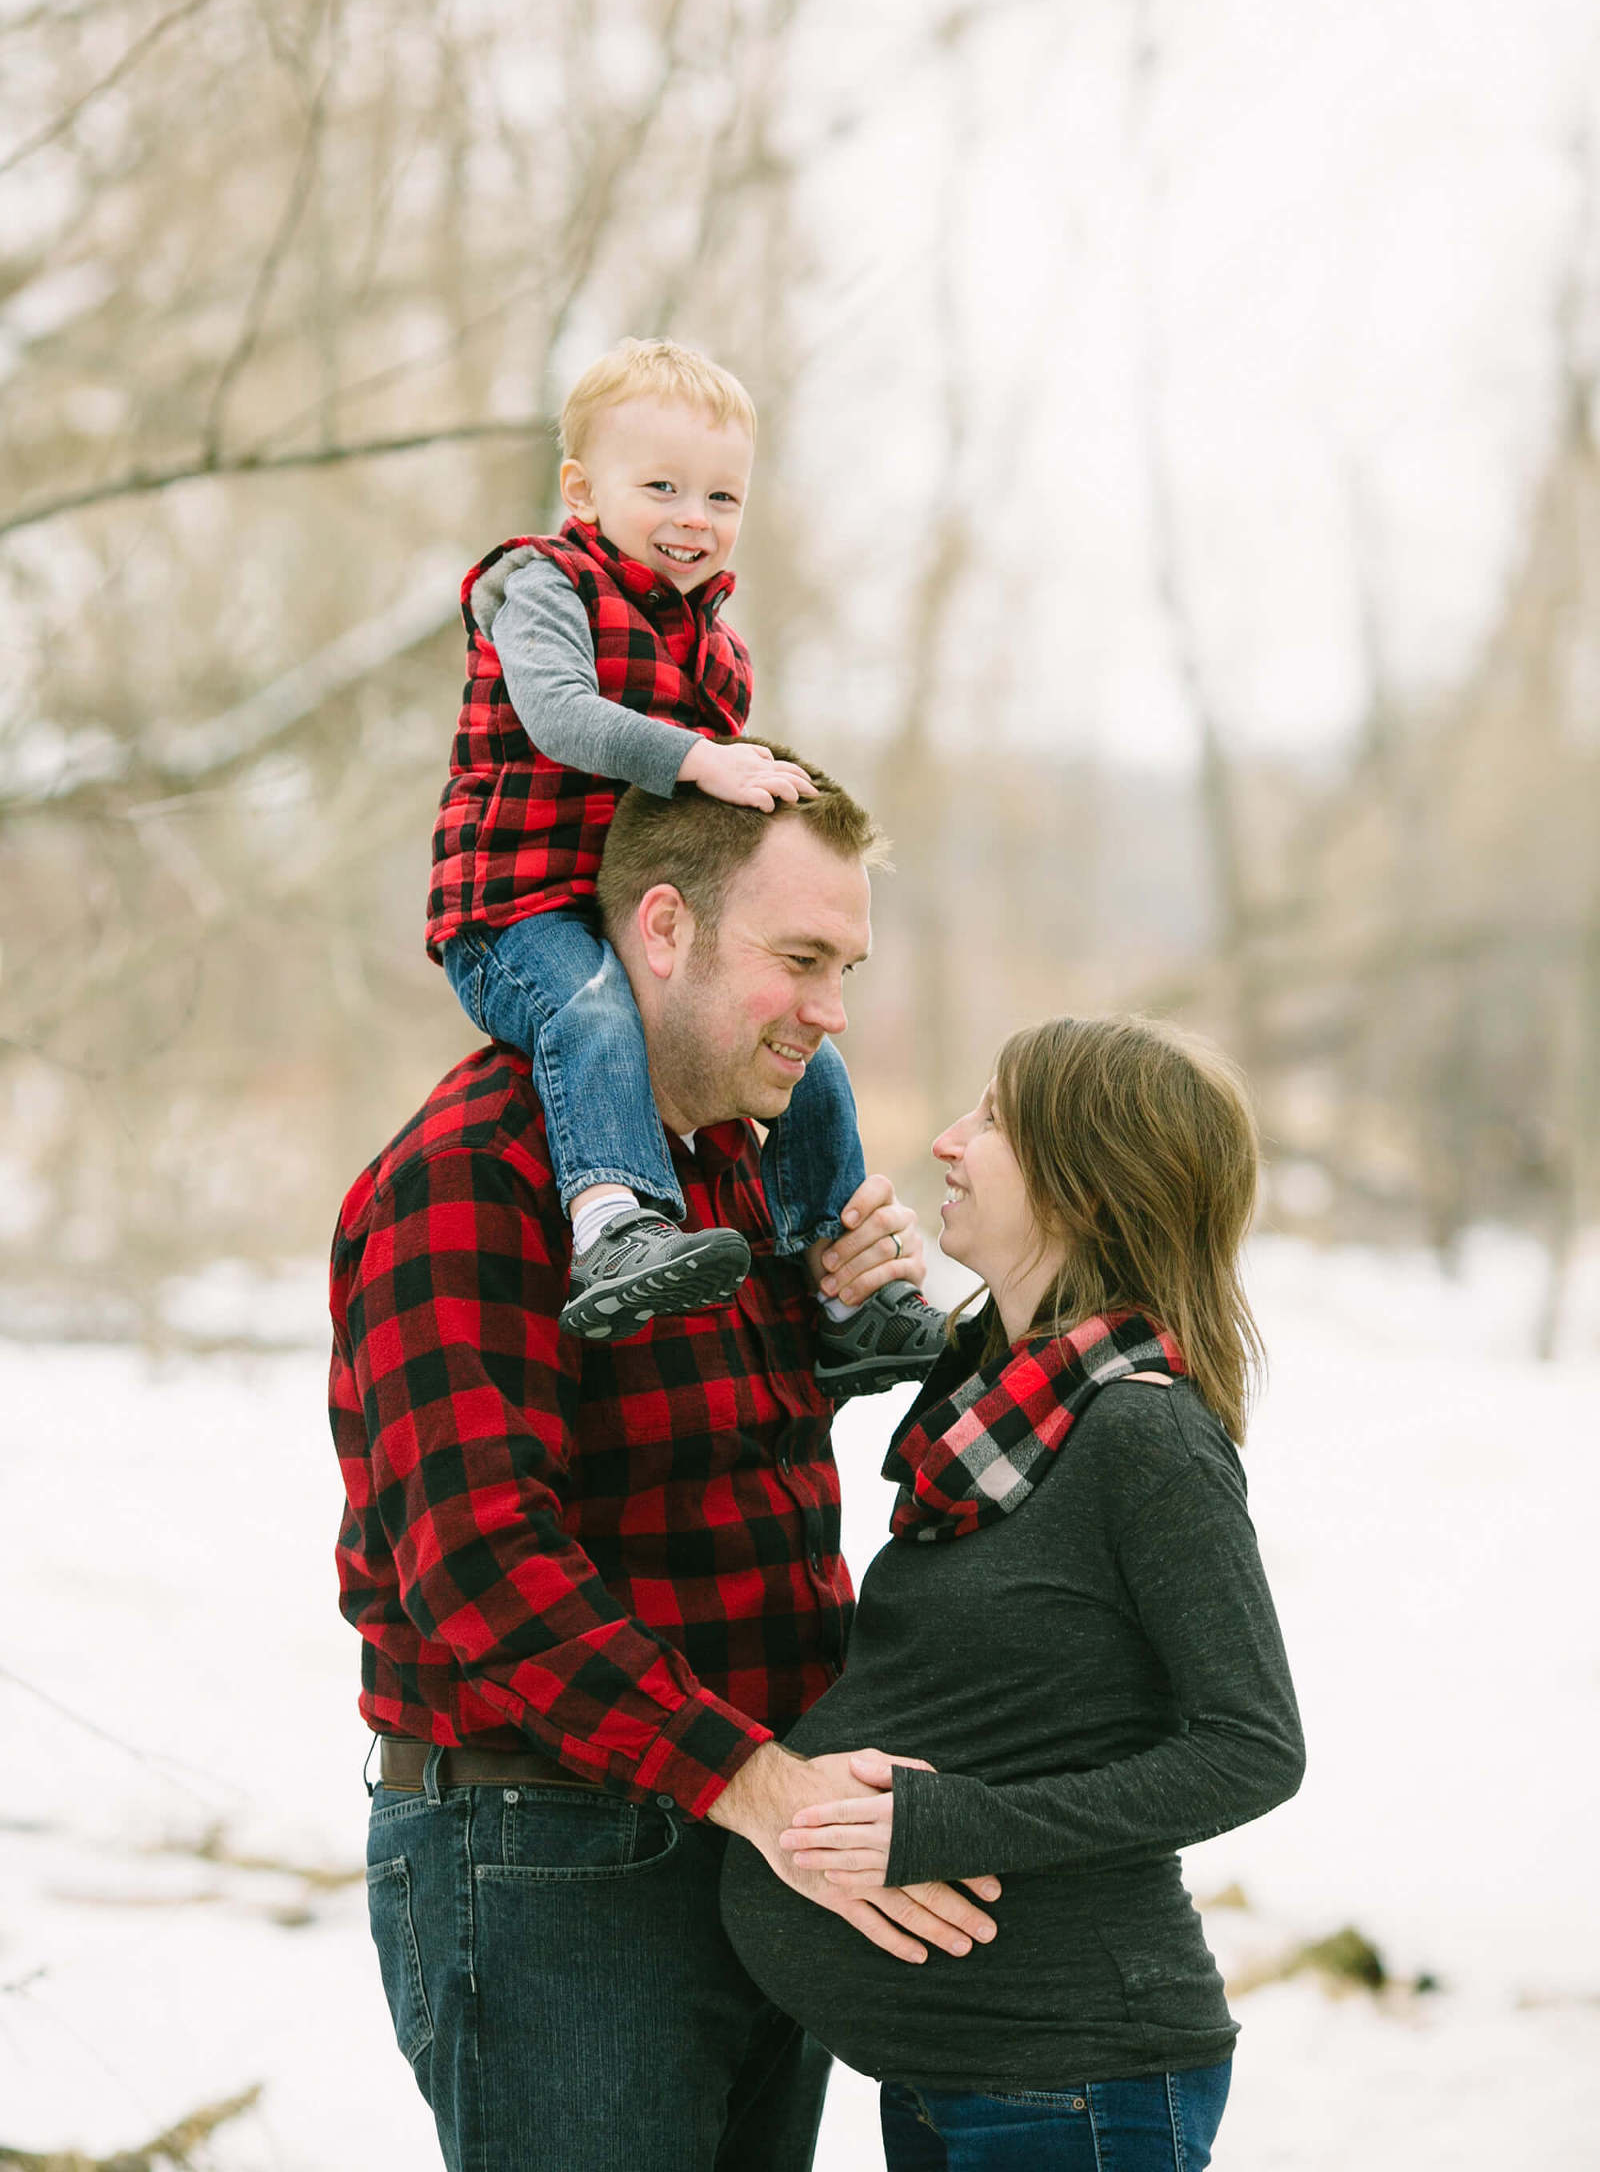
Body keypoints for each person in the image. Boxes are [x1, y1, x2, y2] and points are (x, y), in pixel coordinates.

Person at [331, 760, 1003, 2172]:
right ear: (662, 928)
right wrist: (763, 1787)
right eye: (800, 960)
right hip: (552, 1857)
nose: (831, 1013)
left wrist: (845, 1323)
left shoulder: (738, 1173)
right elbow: (481, 1570)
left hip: (750, 1833)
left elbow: (709, 1475)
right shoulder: (477, 1170)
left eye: (849, 967)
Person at [721, 1015, 1307, 2172]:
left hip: (1075, 2078)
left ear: (1085, 1185)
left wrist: (957, 1823)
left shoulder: (1142, 1434)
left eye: (991, 1121)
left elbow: (1252, 1747)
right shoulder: (998, 1400)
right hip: (966, 2072)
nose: (947, 1141)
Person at [426, 332, 942, 1382]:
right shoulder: (542, 588)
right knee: (592, 1011)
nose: (693, 519)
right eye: (660, 487)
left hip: (613, 904)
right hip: (511, 912)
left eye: (721, 498)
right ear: (582, 488)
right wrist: (703, 758)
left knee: (816, 1063)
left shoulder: (716, 649)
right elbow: (563, 718)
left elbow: (705, 830)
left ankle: (834, 1280)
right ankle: (615, 1225)